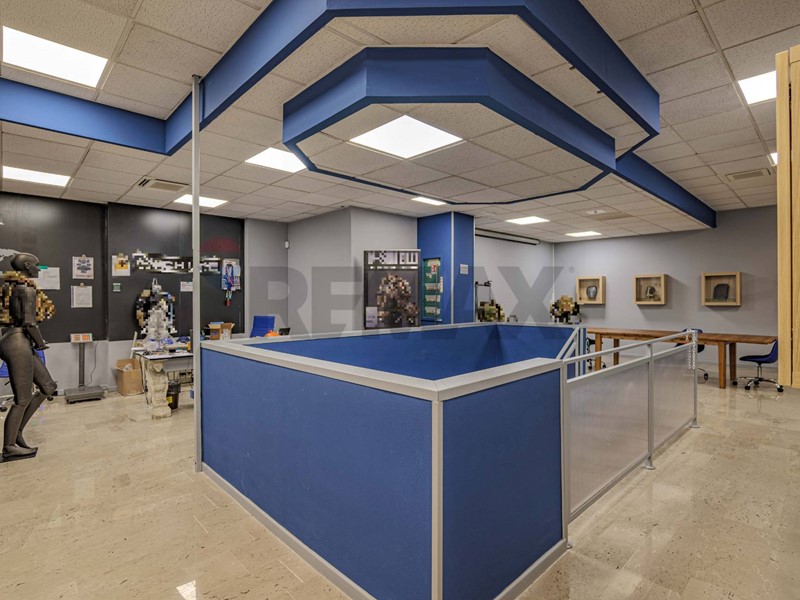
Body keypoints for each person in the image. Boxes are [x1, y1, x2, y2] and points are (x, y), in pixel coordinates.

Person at [0, 253, 57, 462]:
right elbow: (30, 323)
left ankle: (17, 434)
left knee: (48, 386)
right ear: (26, 265)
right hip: (18, 343)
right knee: (22, 398)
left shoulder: (11, 286)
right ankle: (9, 447)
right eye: (36, 265)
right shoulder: (26, 288)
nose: (38, 269)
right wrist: (40, 343)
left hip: (15, 339)